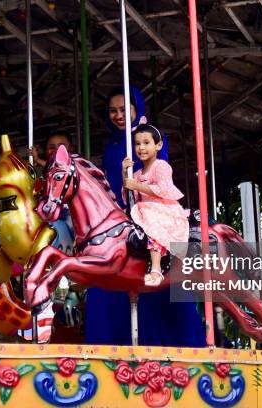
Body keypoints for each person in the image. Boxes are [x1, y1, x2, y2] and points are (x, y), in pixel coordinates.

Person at [84, 85, 205, 347]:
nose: (117, 115)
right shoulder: (112, 146)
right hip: (120, 211)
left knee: (159, 258)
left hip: (148, 206)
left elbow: (158, 172)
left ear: (136, 110)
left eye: (123, 110)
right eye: (113, 111)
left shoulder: (147, 137)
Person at [122, 124, 189, 286]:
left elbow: (163, 189)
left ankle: (156, 269)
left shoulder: (161, 166)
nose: (141, 147)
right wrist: (125, 174)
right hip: (144, 210)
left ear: (158, 145)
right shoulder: (136, 174)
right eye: (137, 144)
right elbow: (130, 197)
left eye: (146, 143)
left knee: (153, 223)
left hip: (163, 210)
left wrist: (136, 185)